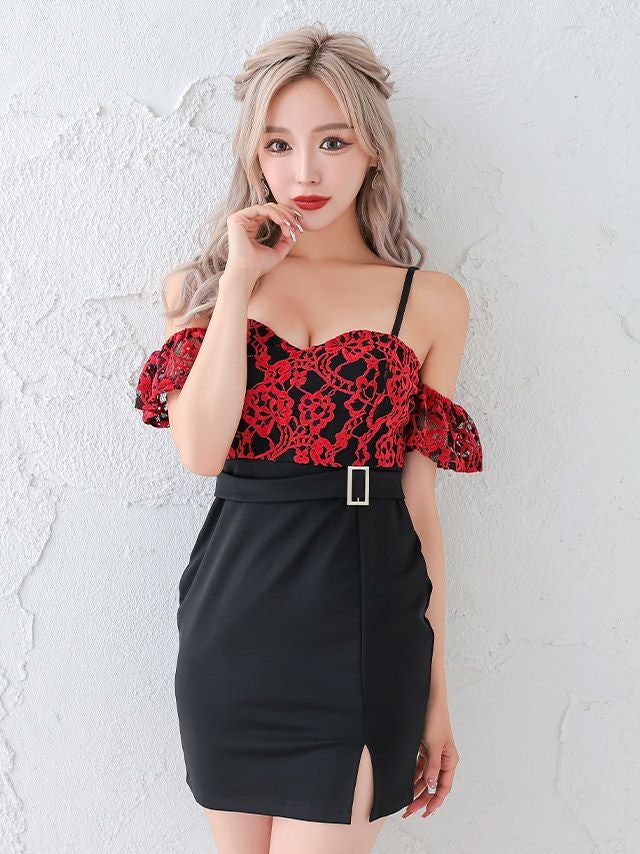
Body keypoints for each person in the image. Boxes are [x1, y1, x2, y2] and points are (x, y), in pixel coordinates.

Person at [134, 22, 483, 854]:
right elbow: (201, 453)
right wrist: (239, 282)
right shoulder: (199, 290)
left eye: (333, 141)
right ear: (254, 155)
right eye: (278, 144)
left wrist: (437, 694)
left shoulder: (429, 301)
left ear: (373, 150)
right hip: (231, 631)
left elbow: (421, 509)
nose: (305, 173)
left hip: (365, 628)